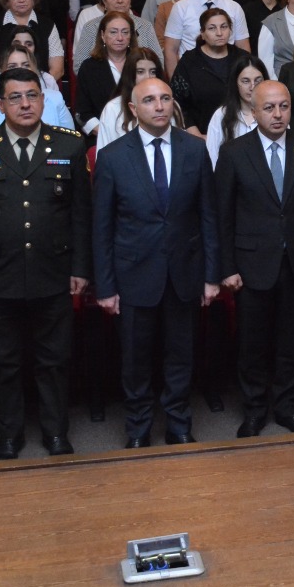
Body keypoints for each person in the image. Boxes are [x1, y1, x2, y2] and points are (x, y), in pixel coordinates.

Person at [0, 67, 93, 460]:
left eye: (32, 95)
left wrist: (81, 267)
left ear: (44, 100)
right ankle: (9, 435)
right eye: (15, 97)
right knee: (4, 362)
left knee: (54, 360)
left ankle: (55, 432)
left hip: (54, 271)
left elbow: (82, 216)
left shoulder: (69, 145)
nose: (25, 104)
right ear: (0, 105)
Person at [92, 76, 219, 448]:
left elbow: (208, 217)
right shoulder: (113, 156)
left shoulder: (195, 150)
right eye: (149, 100)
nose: (159, 106)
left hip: (184, 273)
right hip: (133, 276)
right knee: (135, 359)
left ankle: (179, 423)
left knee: (181, 355)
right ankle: (138, 427)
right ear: (134, 109)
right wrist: (106, 286)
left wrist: (211, 275)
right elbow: (102, 227)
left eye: (165, 98)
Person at [216, 81, 294, 437]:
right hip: (251, 265)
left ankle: (287, 407)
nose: (278, 114)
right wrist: (227, 267)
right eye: (269, 108)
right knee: (252, 343)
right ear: (253, 112)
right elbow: (223, 216)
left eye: (284, 106)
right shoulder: (234, 152)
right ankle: (254, 410)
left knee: (292, 342)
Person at [163, 0, 250, 73]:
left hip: (228, 71)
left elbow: (243, 48)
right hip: (192, 72)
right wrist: (176, 81)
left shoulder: (234, 7)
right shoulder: (180, 7)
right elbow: (170, 49)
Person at [0, 44, 78, 132]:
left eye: (26, 65)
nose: (20, 69)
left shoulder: (55, 100)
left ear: (34, 69)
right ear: (2, 72)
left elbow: (70, 144)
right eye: (12, 66)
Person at [170, 7, 236, 132]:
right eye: (212, 28)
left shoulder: (242, 58)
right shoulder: (189, 61)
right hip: (200, 133)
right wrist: (195, 133)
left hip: (239, 132)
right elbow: (177, 102)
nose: (219, 33)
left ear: (230, 30)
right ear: (202, 33)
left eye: (224, 27)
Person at [74, 10, 135, 135]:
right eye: (113, 32)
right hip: (102, 135)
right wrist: (106, 134)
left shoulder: (141, 63)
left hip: (139, 133)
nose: (120, 38)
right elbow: (83, 112)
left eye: (125, 32)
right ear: (103, 35)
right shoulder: (89, 68)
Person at [203, 53, 268, 166]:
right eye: (246, 81)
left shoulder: (275, 113)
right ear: (236, 83)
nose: (252, 87)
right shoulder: (221, 115)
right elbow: (212, 158)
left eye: (258, 80)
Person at [95, 49, 162, 152]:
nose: (148, 77)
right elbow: (104, 154)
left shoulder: (169, 105)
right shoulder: (113, 108)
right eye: (140, 72)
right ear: (130, 75)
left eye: (153, 72)